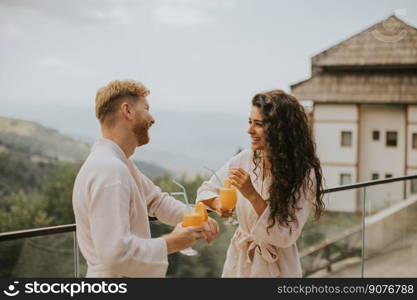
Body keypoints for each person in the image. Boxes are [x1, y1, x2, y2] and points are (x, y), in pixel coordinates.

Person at [72, 80, 219, 278]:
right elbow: (116, 254)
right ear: (128, 111)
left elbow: (156, 201)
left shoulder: (118, 164)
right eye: (146, 108)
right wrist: (173, 242)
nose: (152, 119)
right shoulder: (110, 170)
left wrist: (197, 217)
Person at [196, 90, 324, 277]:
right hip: (240, 262)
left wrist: (252, 195)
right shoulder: (244, 159)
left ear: (279, 129)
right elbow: (205, 189)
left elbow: (285, 235)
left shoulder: (304, 173)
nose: (249, 131)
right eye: (250, 122)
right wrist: (217, 204)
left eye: (259, 124)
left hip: (278, 264)